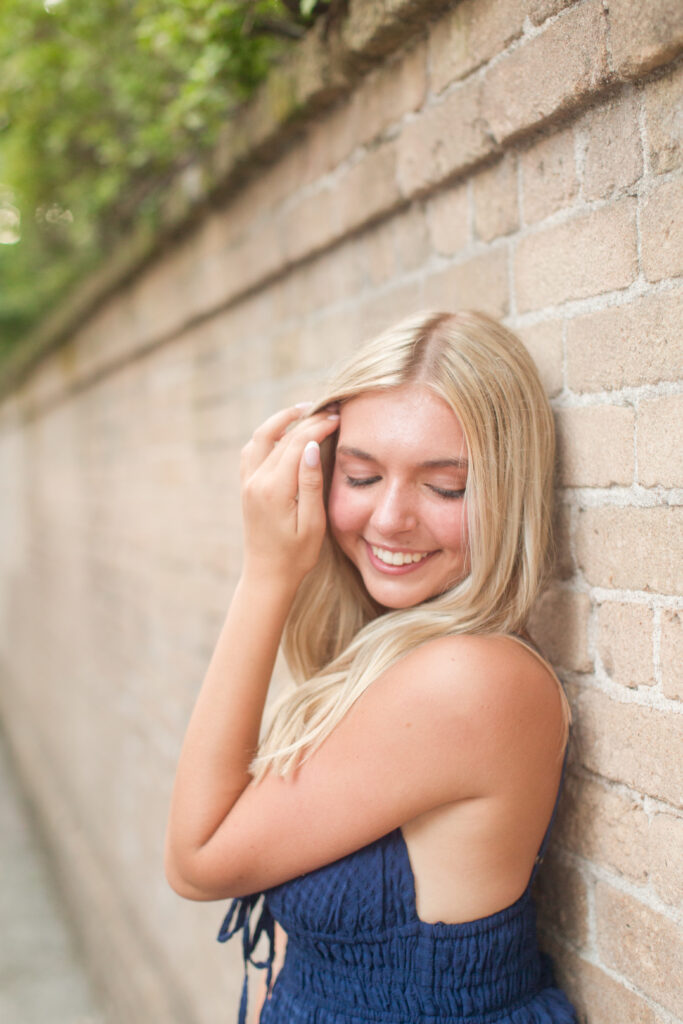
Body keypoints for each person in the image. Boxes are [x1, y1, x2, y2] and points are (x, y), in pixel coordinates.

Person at [165, 310, 579, 1023]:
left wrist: (265, 575)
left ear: (508, 496)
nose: (389, 518)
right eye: (360, 475)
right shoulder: (395, 650)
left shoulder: (466, 682)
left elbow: (197, 859)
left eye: (444, 487)